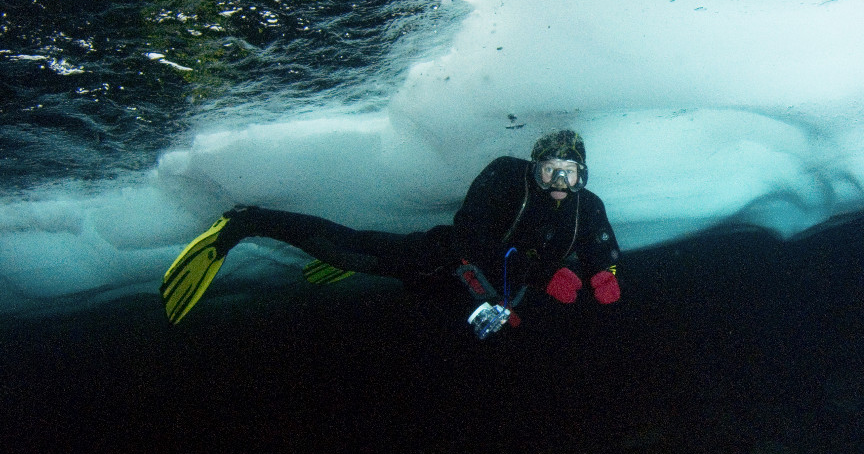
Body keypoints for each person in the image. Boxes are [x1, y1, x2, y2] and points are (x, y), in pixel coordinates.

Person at [161, 130, 621, 334]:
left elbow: (600, 243)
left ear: (583, 174)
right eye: (550, 172)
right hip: (441, 259)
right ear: (534, 167)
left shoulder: (588, 206)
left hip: (478, 296)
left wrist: (604, 273)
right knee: (349, 251)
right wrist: (539, 275)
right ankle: (246, 221)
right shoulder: (505, 176)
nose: (559, 185)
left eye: (570, 174)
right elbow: (472, 235)